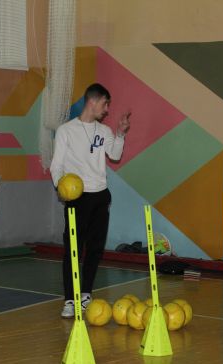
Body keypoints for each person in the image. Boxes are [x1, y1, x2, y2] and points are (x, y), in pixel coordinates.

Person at [50, 83, 132, 318]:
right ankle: (69, 300)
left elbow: (115, 155)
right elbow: (57, 165)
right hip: (78, 198)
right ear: (93, 101)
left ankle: (85, 294)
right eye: (105, 104)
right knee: (73, 250)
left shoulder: (104, 131)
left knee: (95, 249)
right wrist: (61, 187)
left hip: (100, 195)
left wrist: (121, 133)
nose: (107, 109)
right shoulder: (66, 131)